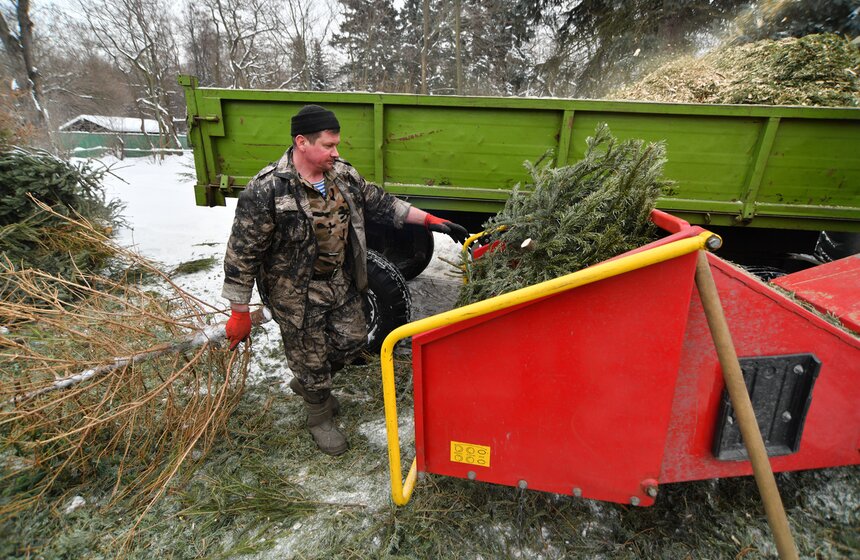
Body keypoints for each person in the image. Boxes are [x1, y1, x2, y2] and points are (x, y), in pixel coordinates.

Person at [221, 104, 468, 455]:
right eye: (328, 145)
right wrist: (239, 310)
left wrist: (431, 221)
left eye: (337, 145)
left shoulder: (341, 175)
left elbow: (382, 202)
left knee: (353, 341)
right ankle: (319, 415)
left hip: (340, 281)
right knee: (311, 360)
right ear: (301, 142)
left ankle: (310, 381)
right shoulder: (267, 190)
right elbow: (241, 253)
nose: (336, 152)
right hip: (294, 293)